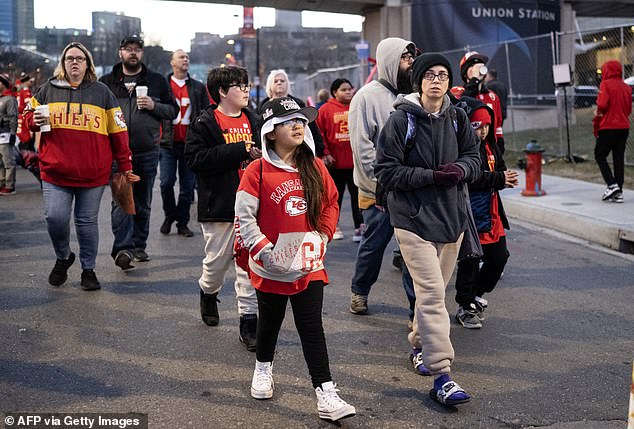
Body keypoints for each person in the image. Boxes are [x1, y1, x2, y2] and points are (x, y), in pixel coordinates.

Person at [234, 96, 355, 422]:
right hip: (270, 263)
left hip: (309, 264)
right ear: (271, 131)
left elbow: (331, 203)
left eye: (301, 120)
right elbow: (245, 218)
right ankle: (263, 369)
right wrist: (263, 250)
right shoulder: (257, 171)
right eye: (290, 121)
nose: (299, 125)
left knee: (311, 327)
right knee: (269, 323)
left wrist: (323, 236)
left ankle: (325, 393)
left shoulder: (314, 166)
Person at [375, 53, 481, 406]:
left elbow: (474, 158)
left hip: (452, 221)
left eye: (443, 75)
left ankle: (420, 346)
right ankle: (442, 376)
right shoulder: (400, 120)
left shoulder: (458, 118)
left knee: (430, 293)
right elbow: (387, 172)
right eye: (430, 75)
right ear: (418, 81)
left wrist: (461, 171)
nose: (437, 80)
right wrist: (432, 177)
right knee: (434, 295)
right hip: (411, 219)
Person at [23, 42, 139, 290]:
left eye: (79, 58)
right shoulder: (47, 90)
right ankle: (63, 257)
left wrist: (125, 165)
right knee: (55, 218)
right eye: (69, 59)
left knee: (86, 224)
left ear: (88, 64)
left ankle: (88, 269)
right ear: (63, 64)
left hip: (93, 174)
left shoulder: (102, 92)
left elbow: (119, 131)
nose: (74, 62)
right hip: (55, 172)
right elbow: (26, 119)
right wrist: (33, 121)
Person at [184, 66, 261, 351]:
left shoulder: (254, 118)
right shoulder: (205, 122)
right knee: (216, 264)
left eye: (246, 84)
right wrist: (239, 150)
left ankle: (248, 322)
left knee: (249, 266)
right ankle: (208, 291)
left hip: (253, 207)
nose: (245, 90)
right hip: (219, 205)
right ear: (221, 91)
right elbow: (195, 159)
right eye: (238, 85)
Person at [348, 37, 417, 329]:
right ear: (390, 61)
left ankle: (418, 308)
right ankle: (359, 291)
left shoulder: (414, 96)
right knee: (374, 245)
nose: (411, 64)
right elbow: (362, 148)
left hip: (409, 189)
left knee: (414, 252)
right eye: (405, 58)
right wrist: (379, 184)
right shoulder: (366, 97)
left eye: (413, 58)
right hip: (378, 191)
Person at [100, 35, 178, 270]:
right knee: (121, 200)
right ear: (120, 53)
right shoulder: (107, 82)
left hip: (147, 151)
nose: (132, 53)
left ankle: (138, 245)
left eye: (137, 49)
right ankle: (122, 248)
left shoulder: (157, 81)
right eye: (127, 49)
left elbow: (173, 111)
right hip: (117, 153)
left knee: (143, 201)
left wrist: (154, 106)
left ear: (142, 54)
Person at [453, 97, 518, 329]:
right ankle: (465, 304)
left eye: (487, 126)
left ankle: (475, 294)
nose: (483, 131)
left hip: (492, 214)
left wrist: (503, 178)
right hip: (472, 213)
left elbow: (498, 171)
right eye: (477, 126)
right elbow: (469, 177)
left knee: (499, 258)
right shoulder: (462, 149)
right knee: (470, 260)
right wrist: (498, 178)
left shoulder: (491, 147)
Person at [159, 49, 210, 237]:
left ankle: (182, 222)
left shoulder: (197, 87)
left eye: (187, 56)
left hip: (190, 144)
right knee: (166, 183)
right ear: (172, 63)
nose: (186, 59)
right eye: (181, 57)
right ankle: (169, 215)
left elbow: (205, 112)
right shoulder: (163, 85)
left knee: (188, 186)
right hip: (167, 142)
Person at [315, 78, 362, 241]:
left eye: (350, 89)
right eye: (344, 90)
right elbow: (320, 134)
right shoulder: (325, 110)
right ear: (335, 92)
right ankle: (334, 226)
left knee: (357, 195)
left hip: (355, 162)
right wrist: (325, 153)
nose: (348, 92)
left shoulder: (357, 106)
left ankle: (359, 226)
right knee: (335, 196)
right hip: (334, 163)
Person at [259, 69, 324, 156]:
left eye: (282, 81)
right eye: (275, 81)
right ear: (269, 85)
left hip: (299, 153)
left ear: (288, 84)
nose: (279, 83)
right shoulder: (262, 108)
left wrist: (319, 150)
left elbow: (312, 129)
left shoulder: (299, 104)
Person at [593, 59, 632, 203]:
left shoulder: (605, 84)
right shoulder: (626, 87)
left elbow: (602, 104)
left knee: (600, 155)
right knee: (618, 158)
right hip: (623, 127)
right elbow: (628, 109)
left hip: (608, 126)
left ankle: (611, 184)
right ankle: (619, 192)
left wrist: (597, 113)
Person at [451, 51, 505, 153]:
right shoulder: (456, 92)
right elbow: (461, 106)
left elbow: (498, 124)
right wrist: (473, 82)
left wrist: (499, 144)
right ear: (466, 72)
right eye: (472, 66)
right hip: (464, 148)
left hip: (487, 149)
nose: (478, 70)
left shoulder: (492, 96)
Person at [0, 73, 18, 195]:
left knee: (8, 161)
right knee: (0, 162)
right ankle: (2, 183)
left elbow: (13, 117)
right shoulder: (1, 98)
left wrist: (12, 133)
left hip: (6, 133)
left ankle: (10, 186)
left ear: (3, 84)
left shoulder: (10, 99)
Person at [16, 73, 35, 151]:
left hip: (19, 116)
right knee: (27, 139)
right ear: (26, 81)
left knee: (20, 139)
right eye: (30, 81)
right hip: (25, 117)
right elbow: (29, 105)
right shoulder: (25, 90)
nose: (31, 83)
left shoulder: (19, 91)